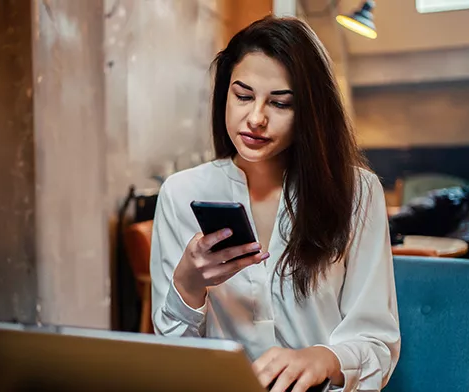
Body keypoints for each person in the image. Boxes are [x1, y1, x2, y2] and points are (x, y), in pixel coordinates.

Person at [150, 15, 400, 392]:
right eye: (244, 96)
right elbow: (174, 359)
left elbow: (377, 342)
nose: (255, 119)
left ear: (310, 115)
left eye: (280, 103)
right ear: (225, 94)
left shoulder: (356, 191)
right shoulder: (181, 192)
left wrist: (324, 358)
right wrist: (187, 285)